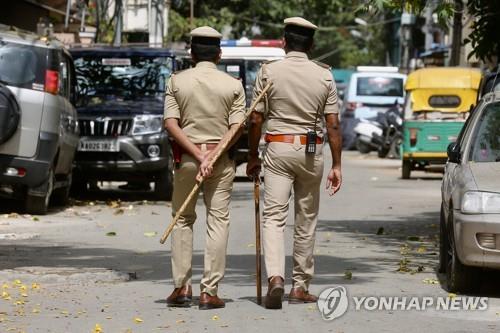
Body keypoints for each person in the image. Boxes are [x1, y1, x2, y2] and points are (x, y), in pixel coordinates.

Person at [247, 17, 342, 309]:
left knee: (274, 217)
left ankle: (276, 277)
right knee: (306, 219)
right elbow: (333, 125)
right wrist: (337, 165)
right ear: (312, 45)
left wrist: (252, 156)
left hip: (278, 149)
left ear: (283, 42)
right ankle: (300, 287)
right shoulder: (324, 75)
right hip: (312, 153)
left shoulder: (269, 72)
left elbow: (255, 119)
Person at [164, 26, 246, 310]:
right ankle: (209, 291)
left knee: (183, 218)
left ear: (191, 53)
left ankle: (182, 287)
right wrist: (211, 155)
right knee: (217, 221)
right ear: (220, 54)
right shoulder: (233, 85)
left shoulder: (176, 82)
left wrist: (198, 155)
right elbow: (238, 127)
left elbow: (170, 124)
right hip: (220, 162)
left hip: (187, 160)